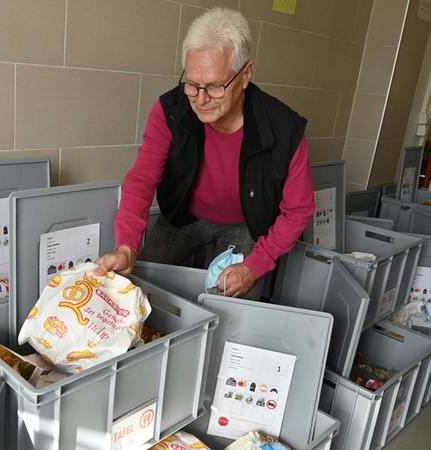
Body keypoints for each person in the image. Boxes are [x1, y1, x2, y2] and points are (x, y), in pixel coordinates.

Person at [95, 8, 315, 299]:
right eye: (192, 84)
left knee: (232, 307)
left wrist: (253, 266)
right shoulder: (170, 110)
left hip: (247, 224)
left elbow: (298, 210)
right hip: (184, 216)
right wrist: (126, 246)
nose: (200, 100)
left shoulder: (284, 127)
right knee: (136, 291)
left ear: (245, 74)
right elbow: (142, 179)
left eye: (214, 86)